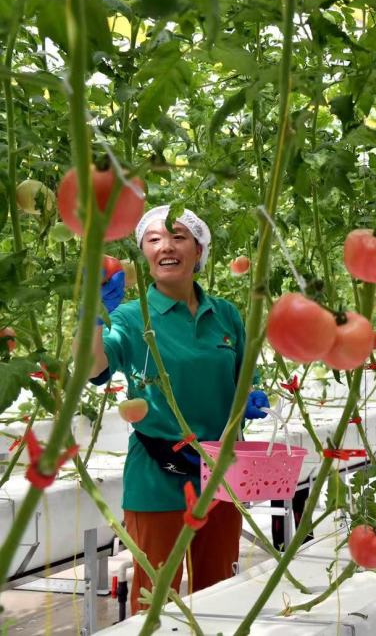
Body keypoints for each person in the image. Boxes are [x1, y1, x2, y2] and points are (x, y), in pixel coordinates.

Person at [85, 206, 270, 615]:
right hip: (157, 474)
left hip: (220, 472)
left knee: (220, 589)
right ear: (143, 254)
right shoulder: (132, 317)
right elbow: (95, 368)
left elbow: (243, 373)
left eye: (179, 237)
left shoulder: (226, 314)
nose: (166, 246)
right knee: (156, 595)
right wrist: (93, 319)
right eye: (154, 240)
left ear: (199, 250)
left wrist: (252, 393)